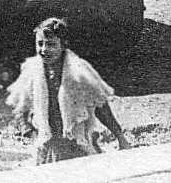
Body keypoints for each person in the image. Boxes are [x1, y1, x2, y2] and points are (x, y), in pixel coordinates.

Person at [7, 17, 130, 164]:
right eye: (40, 44)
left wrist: (120, 136)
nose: (44, 50)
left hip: (77, 143)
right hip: (49, 145)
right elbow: (21, 107)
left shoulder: (78, 72)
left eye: (51, 45)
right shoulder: (32, 71)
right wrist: (30, 132)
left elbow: (100, 106)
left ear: (64, 45)